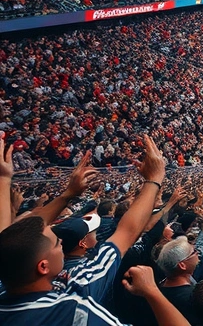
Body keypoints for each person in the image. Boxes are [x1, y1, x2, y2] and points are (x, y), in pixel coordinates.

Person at [0, 136, 191, 326]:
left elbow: (8, 239)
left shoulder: (7, 280)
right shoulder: (72, 309)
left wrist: (5, 179)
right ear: (43, 267)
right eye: (58, 243)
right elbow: (126, 233)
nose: (62, 246)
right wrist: (154, 179)